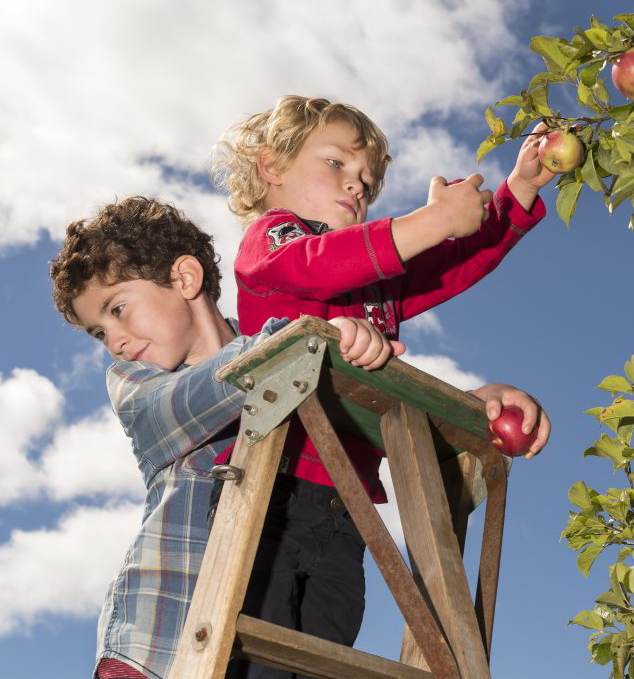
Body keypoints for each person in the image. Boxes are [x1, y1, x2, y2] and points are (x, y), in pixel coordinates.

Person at [210, 95, 553, 678]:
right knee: (251, 657)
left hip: (345, 506)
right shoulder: (272, 241)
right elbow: (317, 265)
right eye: (337, 164)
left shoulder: (372, 282)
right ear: (272, 167)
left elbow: (451, 260)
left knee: (328, 650)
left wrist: (516, 192)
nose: (356, 187)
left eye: (368, 181)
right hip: (270, 488)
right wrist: (430, 221)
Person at [49, 196, 404, 679]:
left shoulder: (278, 349)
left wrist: (477, 396)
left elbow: (351, 412)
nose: (114, 341)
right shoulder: (136, 386)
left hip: (256, 619)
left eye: (118, 309)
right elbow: (224, 382)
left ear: (184, 279)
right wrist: (311, 335)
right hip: (158, 646)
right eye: (98, 332)